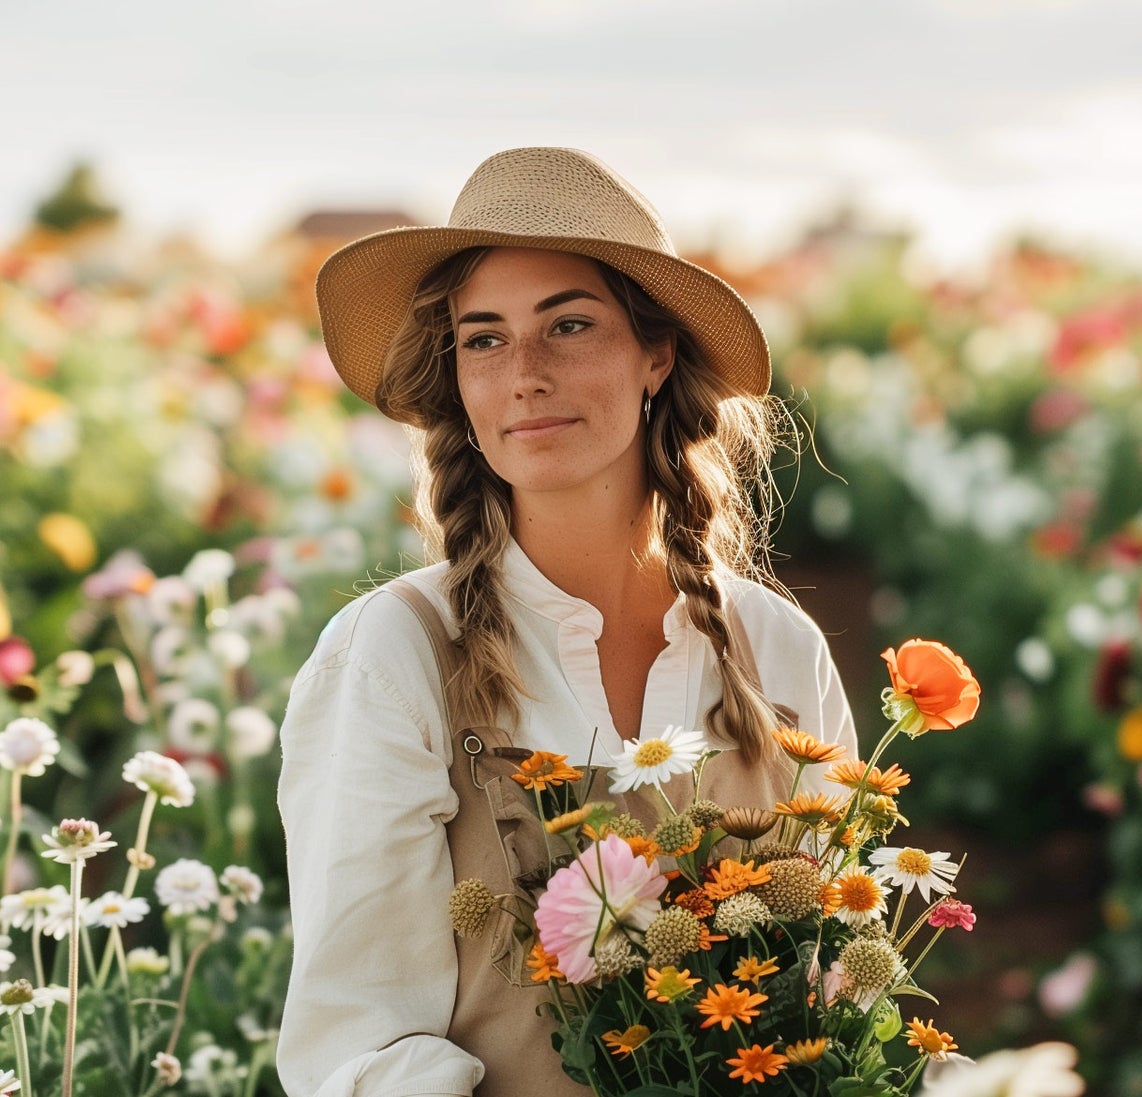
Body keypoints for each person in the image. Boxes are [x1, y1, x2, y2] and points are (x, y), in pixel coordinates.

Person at [276, 147, 858, 1097]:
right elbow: (359, 1044)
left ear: (655, 355)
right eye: (484, 338)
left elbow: (835, 977)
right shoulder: (393, 654)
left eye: (569, 325)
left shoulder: (775, 647)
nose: (525, 374)